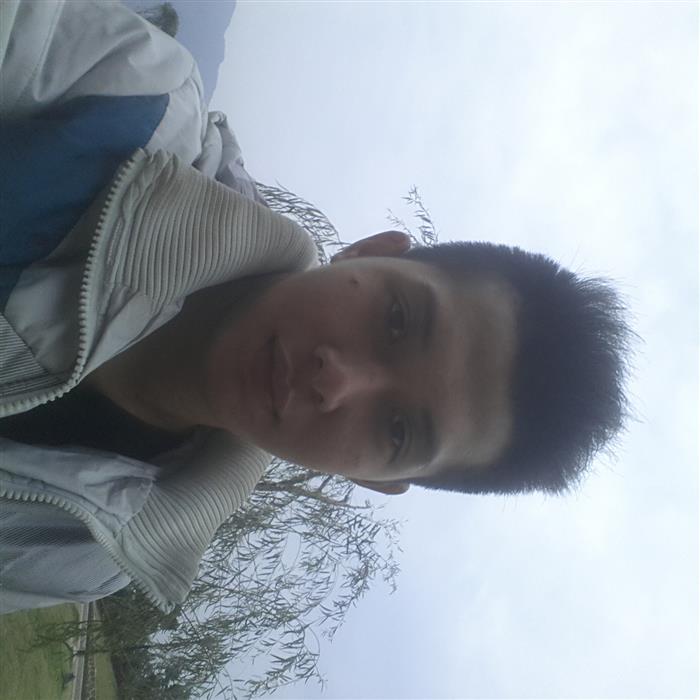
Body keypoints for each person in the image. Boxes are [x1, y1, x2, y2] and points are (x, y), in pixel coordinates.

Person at [0, 0, 631, 613]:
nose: (337, 382)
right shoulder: (129, 99)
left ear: (376, 479)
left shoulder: (91, 554)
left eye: (397, 431)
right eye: (397, 320)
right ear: (368, 251)